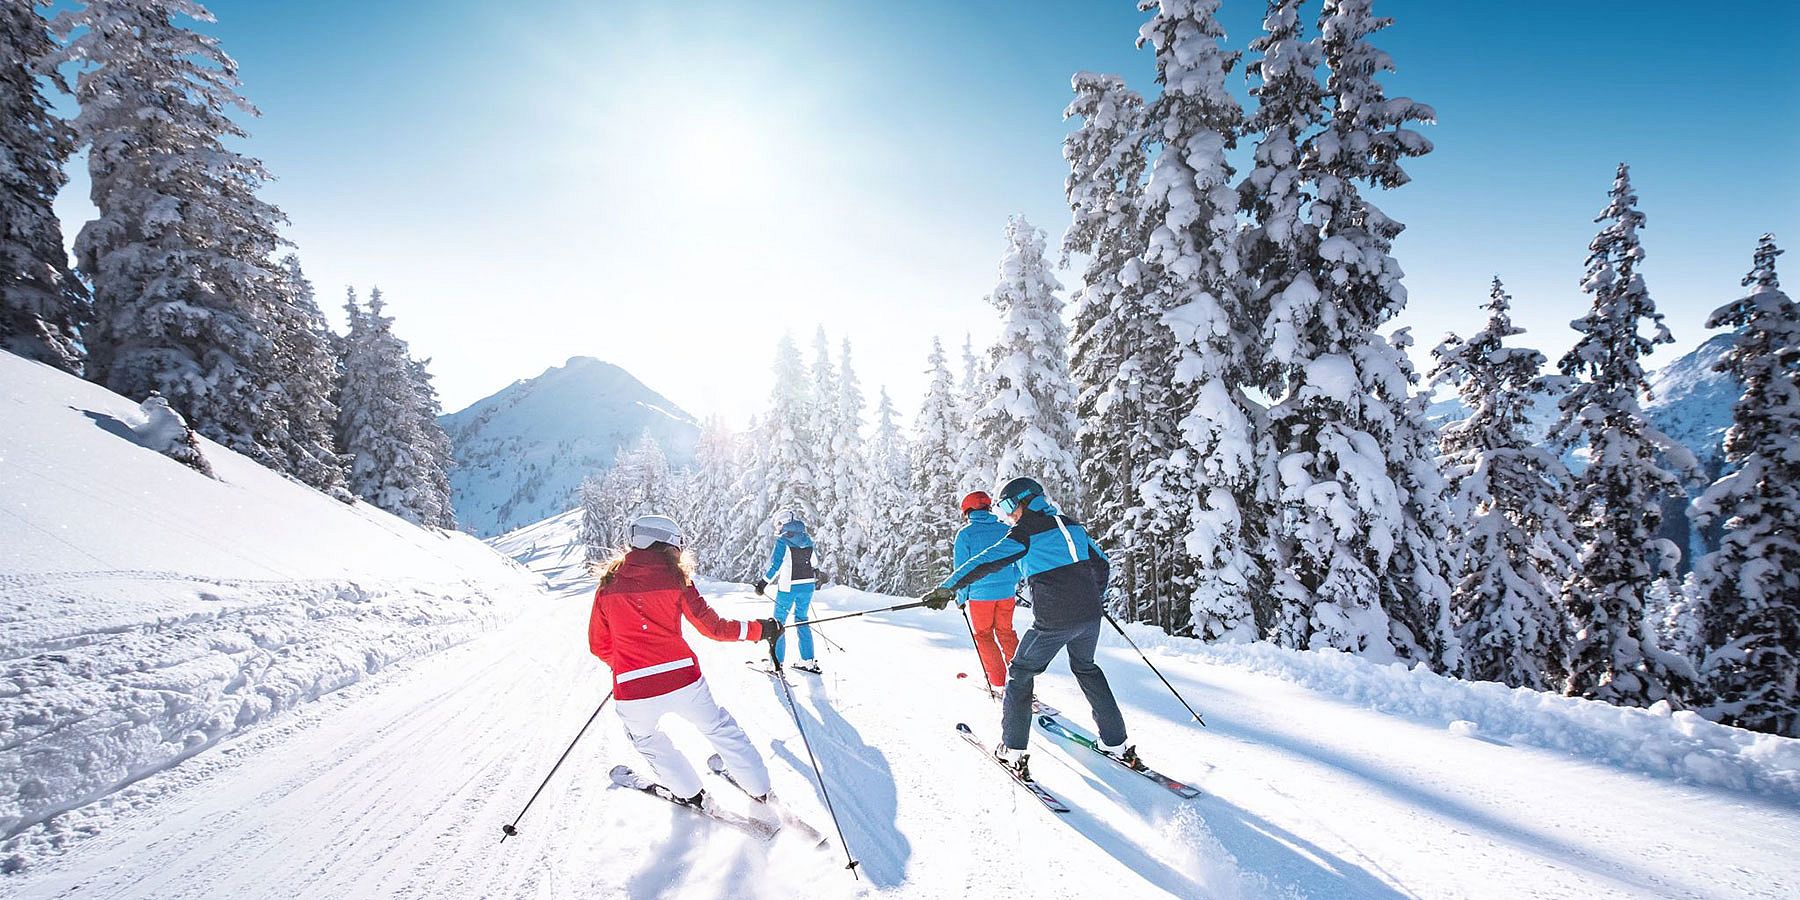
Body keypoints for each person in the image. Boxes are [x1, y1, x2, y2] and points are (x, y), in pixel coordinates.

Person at [922, 477, 1136, 780]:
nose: (1008, 514)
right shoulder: (1071, 525)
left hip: (1054, 619)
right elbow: (1101, 563)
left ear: (1023, 501)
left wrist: (947, 588)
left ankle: (1013, 750)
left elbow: (986, 560)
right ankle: (1116, 742)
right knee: (1086, 667)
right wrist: (1092, 594)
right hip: (1090, 616)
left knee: (1021, 673)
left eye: (1009, 506)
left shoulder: (1024, 533)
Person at [589, 514, 784, 809]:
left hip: (633, 690)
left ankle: (691, 794)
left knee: (647, 739)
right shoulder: (676, 580)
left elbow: (598, 645)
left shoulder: (607, 587)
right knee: (718, 727)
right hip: (683, 680)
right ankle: (761, 791)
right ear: (669, 545)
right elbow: (715, 628)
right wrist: (761, 628)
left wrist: (625, 665)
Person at [953, 491, 1022, 691]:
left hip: (980, 596)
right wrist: (1011, 580)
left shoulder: (965, 534)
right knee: (1006, 633)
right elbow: (1018, 558)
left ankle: (998, 682)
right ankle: (1020, 681)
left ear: (967, 512)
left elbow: (961, 570)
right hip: (1006, 593)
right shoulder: (1005, 529)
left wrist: (961, 597)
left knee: (984, 636)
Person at [753, 513, 820, 673]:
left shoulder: (783, 540)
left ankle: (776, 663)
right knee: (802, 620)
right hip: (807, 586)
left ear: (783, 524)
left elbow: (776, 566)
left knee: (778, 623)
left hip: (788, 587)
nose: (778, 528)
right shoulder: (807, 538)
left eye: (778, 525)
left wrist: (763, 583)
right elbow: (815, 563)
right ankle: (808, 661)